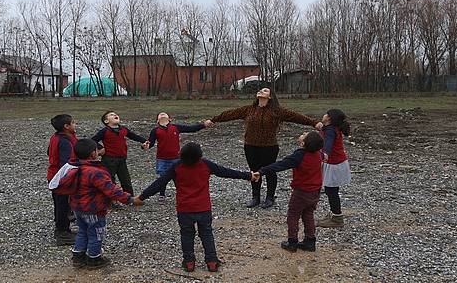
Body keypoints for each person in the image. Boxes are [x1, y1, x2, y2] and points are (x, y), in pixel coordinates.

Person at [135, 142, 258, 273]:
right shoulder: (205, 164)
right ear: (199, 156)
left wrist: (141, 197)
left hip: (184, 209)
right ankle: (211, 262)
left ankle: (189, 262)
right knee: (206, 233)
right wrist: (248, 175)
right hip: (203, 208)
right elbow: (226, 172)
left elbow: (159, 183)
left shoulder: (176, 166)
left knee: (187, 235)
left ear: (181, 155)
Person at [208, 88, 322, 208]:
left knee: (270, 171)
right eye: (261, 90)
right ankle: (255, 197)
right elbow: (230, 114)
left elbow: (297, 117)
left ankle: (270, 197)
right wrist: (214, 120)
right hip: (250, 146)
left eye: (265, 90)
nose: (261, 91)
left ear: (270, 97)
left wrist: (314, 123)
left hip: (269, 147)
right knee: (254, 171)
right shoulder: (248, 109)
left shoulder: (277, 111)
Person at [65, 139, 143, 269]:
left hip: (77, 207)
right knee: (96, 233)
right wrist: (130, 199)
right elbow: (111, 190)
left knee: (82, 231)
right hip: (93, 208)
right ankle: (94, 259)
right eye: (97, 150)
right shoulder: (95, 172)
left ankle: (78, 257)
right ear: (93, 154)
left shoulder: (73, 167)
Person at [256, 131, 324, 252]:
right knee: (308, 215)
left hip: (301, 192)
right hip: (315, 191)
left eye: (305, 134)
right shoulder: (318, 154)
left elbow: (281, 165)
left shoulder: (299, 156)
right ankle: (310, 241)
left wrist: (261, 171)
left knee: (293, 215)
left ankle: (292, 242)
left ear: (303, 143)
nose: (303, 133)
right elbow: (324, 156)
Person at [146, 112, 210, 202]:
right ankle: (162, 194)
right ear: (157, 121)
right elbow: (150, 143)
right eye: (160, 115)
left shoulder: (175, 127)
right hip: (162, 159)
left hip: (176, 158)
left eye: (164, 114)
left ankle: (181, 193)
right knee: (162, 178)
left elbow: (191, 129)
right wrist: (145, 146)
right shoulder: (155, 131)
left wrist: (203, 125)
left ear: (170, 119)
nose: (162, 114)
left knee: (178, 177)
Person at [91, 111, 148, 196]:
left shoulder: (123, 129)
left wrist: (144, 141)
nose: (115, 115)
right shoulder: (104, 131)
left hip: (122, 158)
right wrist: (101, 148)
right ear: (106, 121)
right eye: (112, 115)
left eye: (116, 114)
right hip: (109, 159)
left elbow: (133, 136)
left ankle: (130, 198)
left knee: (126, 179)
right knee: (110, 180)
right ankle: (110, 199)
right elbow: (92, 140)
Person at [316, 109, 352, 228]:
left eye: (326, 113)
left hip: (335, 164)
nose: (324, 114)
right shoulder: (329, 128)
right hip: (334, 163)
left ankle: (337, 217)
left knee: (331, 191)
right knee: (331, 190)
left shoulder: (331, 130)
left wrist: (325, 153)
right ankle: (333, 214)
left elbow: (328, 143)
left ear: (329, 118)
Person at [47, 114, 78, 246]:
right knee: (63, 205)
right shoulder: (65, 141)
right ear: (66, 126)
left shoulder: (55, 137)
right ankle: (62, 232)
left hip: (55, 176)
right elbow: (66, 162)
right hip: (61, 178)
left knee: (62, 204)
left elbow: (48, 152)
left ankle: (64, 229)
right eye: (73, 122)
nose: (75, 124)